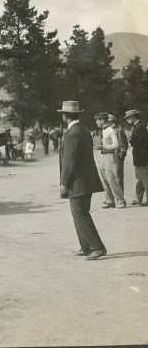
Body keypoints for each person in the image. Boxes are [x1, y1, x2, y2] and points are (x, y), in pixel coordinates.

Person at [58, 100, 107, 260]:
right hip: (86, 179)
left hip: (77, 181)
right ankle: (85, 246)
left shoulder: (71, 134)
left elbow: (69, 161)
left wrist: (64, 182)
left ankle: (97, 247)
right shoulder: (83, 131)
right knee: (79, 212)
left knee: (80, 213)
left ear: (65, 116)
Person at [96, 113, 126, 208]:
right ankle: (110, 200)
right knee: (105, 179)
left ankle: (120, 201)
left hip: (110, 156)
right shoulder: (102, 130)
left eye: (97, 120)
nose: (96, 122)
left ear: (102, 120)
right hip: (103, 156)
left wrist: (104, 146)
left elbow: (116, 145)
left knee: (112, 179)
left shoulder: (110, 130)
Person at [124, 109, 148, 206]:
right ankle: (138, 198)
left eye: (128, 118)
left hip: (142, 158)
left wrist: (131, 141)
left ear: (134, 117)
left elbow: (141, 142)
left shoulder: (140, 127)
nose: (127, 120)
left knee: (145, 179)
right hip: (140, 157)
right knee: (140, 179)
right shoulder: (137, 126)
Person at [108, 113, 129, 194]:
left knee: (118, 178)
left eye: (110, 121)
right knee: (111, 178)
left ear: (113, 121)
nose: (109, 123)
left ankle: (121, 197)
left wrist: (122, 154)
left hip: (117, 157)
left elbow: (124, 144)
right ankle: (115, 197)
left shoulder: (119, 130)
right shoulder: (109, 130)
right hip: (110, 156)